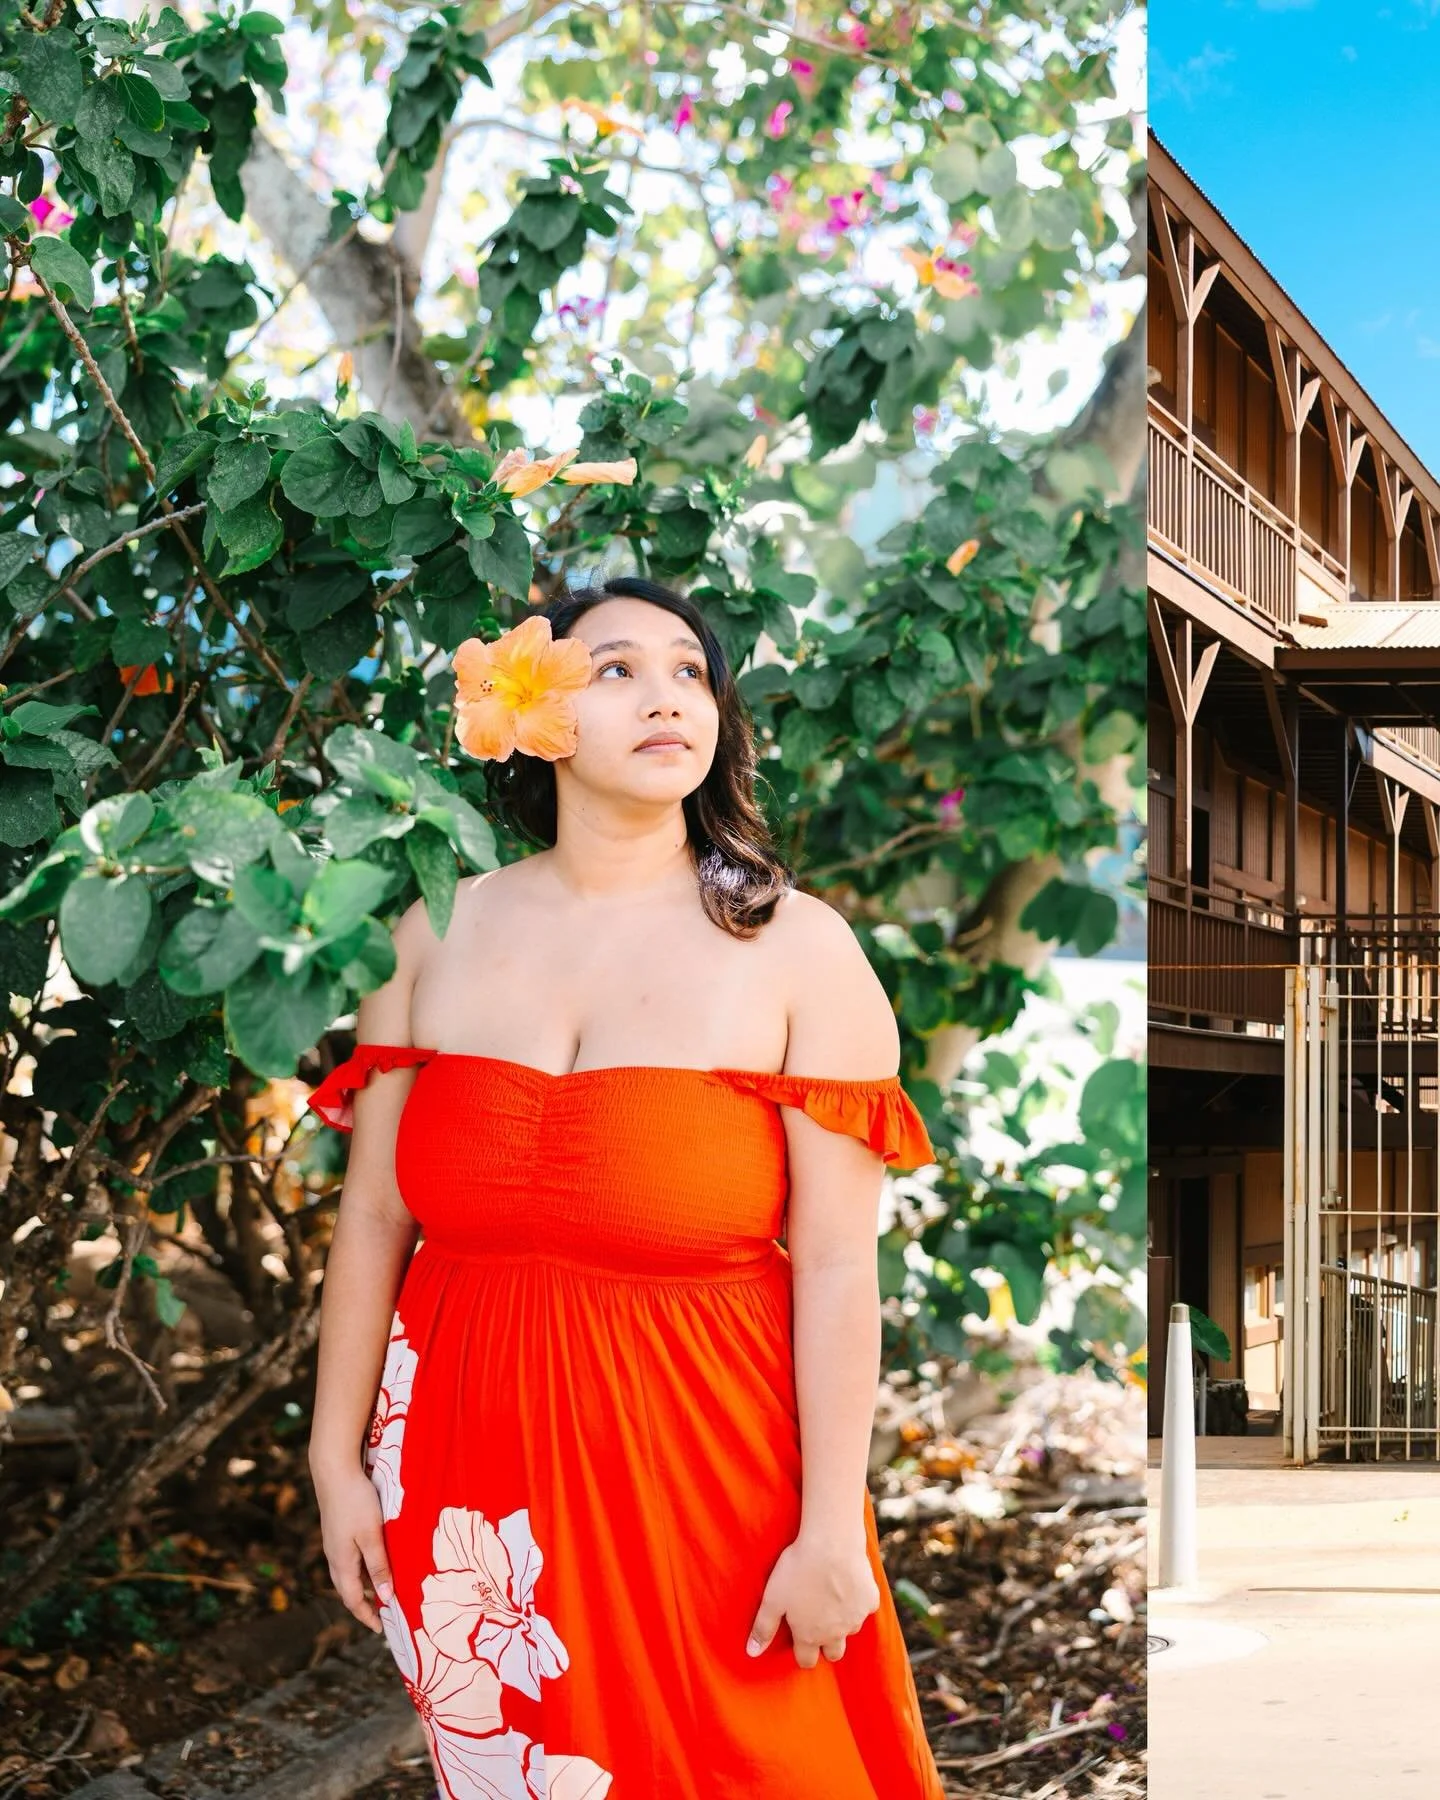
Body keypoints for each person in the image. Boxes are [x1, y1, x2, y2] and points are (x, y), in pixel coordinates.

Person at [305, 576, 945, 1798]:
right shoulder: (429, 933)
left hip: (718, 1477)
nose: (667, 697)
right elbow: (375, 1217)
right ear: (533, 719)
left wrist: (828, 1526)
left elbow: (834, 1264)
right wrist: (337, 1460)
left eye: (690, 672)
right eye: (616, 671)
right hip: (466, 1487)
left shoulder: (801, 950)